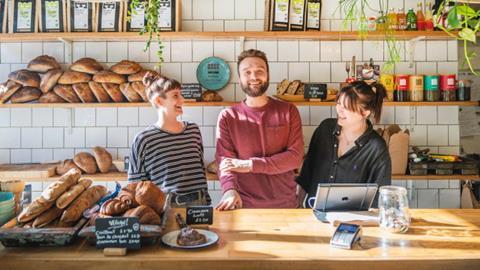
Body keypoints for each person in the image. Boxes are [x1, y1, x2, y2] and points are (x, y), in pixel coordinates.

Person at [215, 49, 304, 210]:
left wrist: (249, 165)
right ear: (240, 78)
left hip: (286, 204)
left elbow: (295, 158)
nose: (254, 77)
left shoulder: (288, 111)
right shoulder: (228, 116)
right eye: (247, 72)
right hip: (243, 204)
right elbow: (225, 161)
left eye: (259, 71)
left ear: (268, 74)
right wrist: (229, 190)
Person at [296, 80, 392, 208]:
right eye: (338, 103)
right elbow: (307, 172)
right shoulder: (325, 129)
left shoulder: (376, 147)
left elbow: (378, 197)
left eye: (346, 107)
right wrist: (297, 207)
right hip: (313, 215)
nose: (339, 110)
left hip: (352, 221)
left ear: (365, 112)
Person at [128, 73, 210, 207]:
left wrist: (206, 203)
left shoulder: (193, 131)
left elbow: (200, 170)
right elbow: (136, 186)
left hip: (200, 206)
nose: (182, 100)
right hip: (165, 208)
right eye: (176, 95)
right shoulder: (143, 139)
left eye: (181, 95)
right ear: (159, 101)